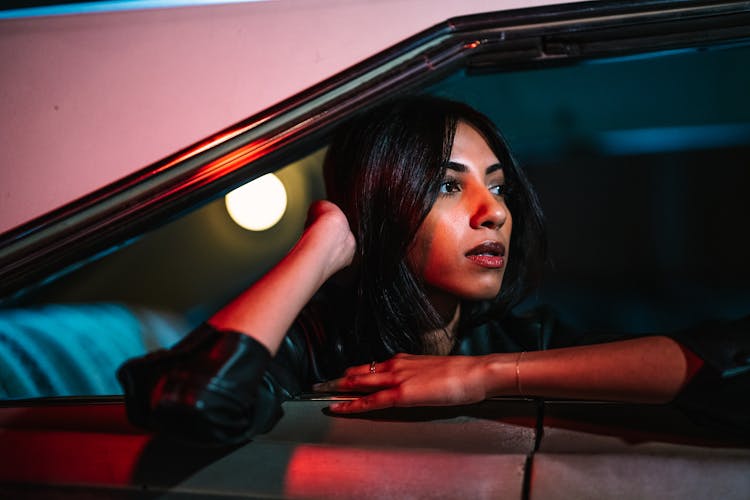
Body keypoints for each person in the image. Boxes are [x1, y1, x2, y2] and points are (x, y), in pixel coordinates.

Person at [118, 96, 749, 445]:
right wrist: (325, 241)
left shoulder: (526, 342)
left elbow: (730, 366)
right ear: (376, 208)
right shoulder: (311, 350)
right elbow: (196, 402)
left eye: (498, 188)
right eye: (449, 187)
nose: (493, 213)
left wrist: (483, 375)